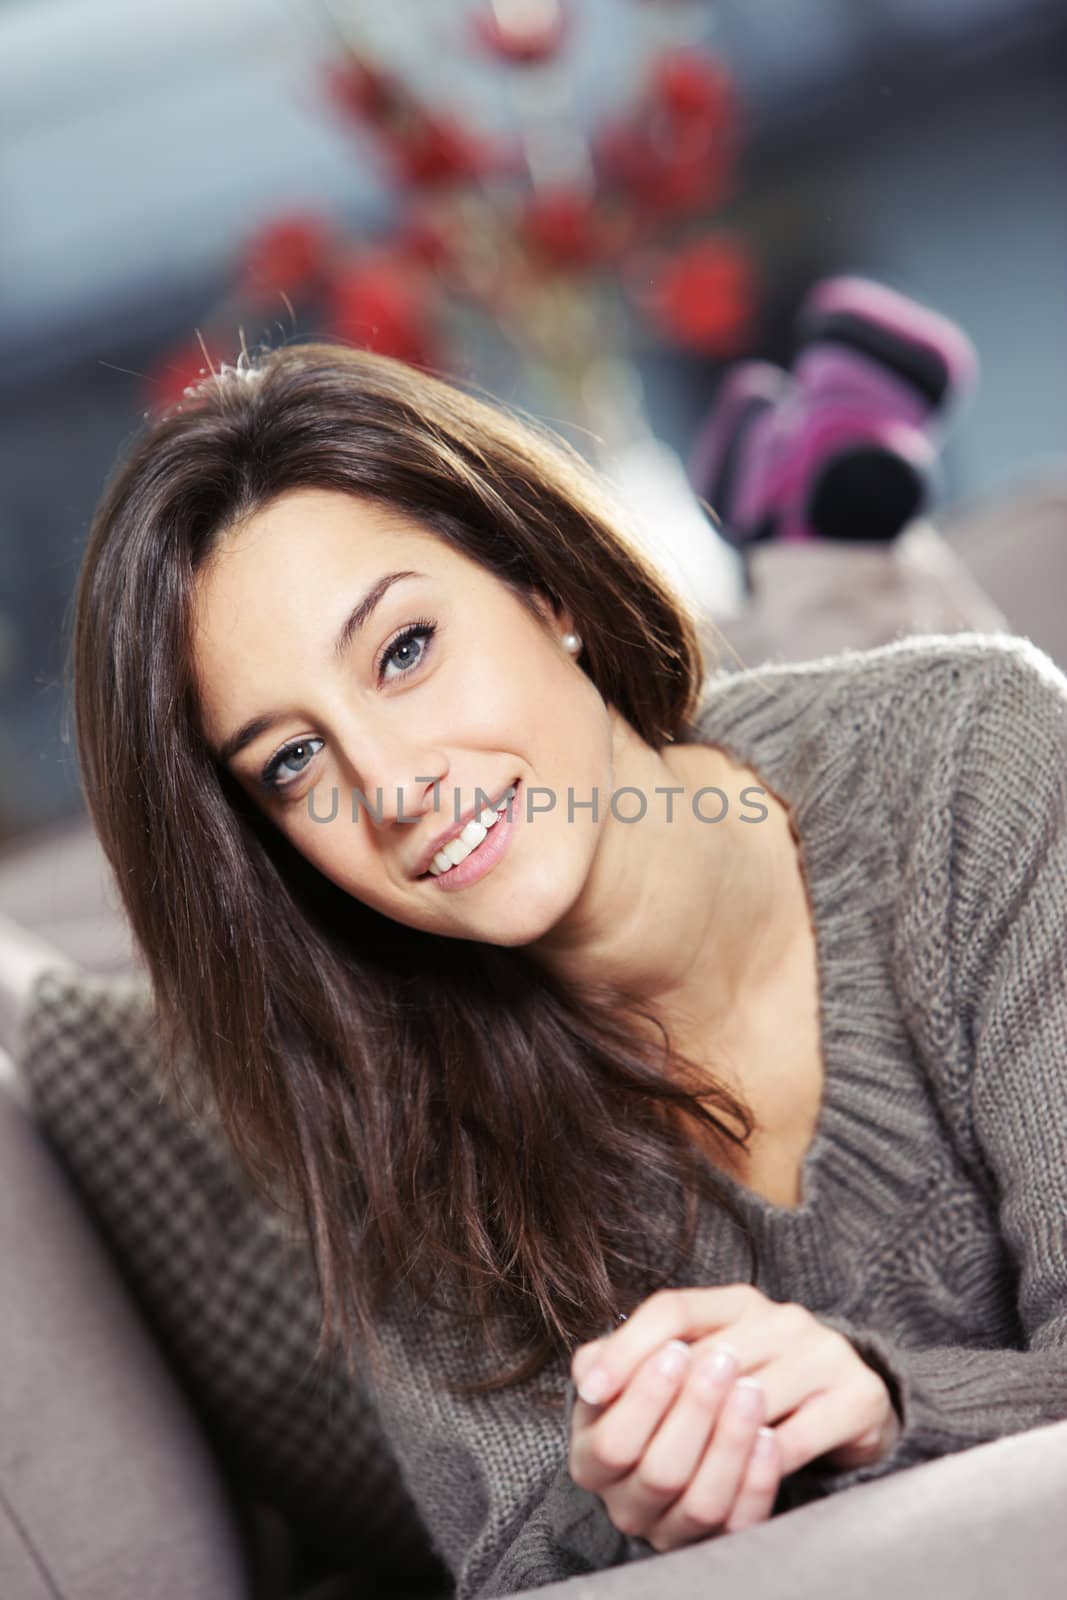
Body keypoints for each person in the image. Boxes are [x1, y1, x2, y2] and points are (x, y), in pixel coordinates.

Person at [8, 339, 1067, 1600]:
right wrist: (635, 1516)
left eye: (403, 650)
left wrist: (883, 1411)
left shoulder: (972, 760)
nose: (392, 787)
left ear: (541, 584)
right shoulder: (384, 1113)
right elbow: (515, 1564)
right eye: (292, 764)